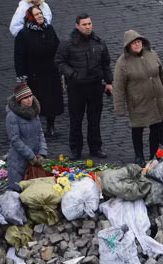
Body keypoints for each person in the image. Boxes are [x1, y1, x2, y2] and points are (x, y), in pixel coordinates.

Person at [55, 14, 112, 160]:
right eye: (84, 24)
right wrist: (73, 74)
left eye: (89, 24)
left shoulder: (98, 42)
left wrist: (109, 82)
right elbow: (59, 62)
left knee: (95, 120)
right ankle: (76, 150)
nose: (88, 27)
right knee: (76, 120)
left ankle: (95, 147)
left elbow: (106, 63)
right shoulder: (67, 43)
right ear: (77, 26)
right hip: (76, 87)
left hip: (95, 86)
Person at [113, 30, 163, 166]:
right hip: (138, 102)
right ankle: (139, 155)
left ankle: (154, 154)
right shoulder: (122, 62)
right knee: (137, 129)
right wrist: (119, 107)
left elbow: (161, 74)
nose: (137, 44)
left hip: (156, 100)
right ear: (128, 45)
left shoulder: (152, 54)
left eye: (139, 41)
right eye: (134, 43)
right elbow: (119, 85)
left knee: (156, 127)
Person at [14, 5, 62, 137]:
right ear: (31, 17)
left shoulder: (49, 29)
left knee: (52, 100)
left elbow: (58, 47)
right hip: (34, 74)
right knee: (36, 101)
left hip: (51, 72)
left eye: (40, 13)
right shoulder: (23, 35)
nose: (40, 16)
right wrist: (21, 76)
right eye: (36, 14)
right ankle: (34, 127)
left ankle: (50, 125)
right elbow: (19, 57)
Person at [5, 82, 47, 191]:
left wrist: (42, 152)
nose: (29, 100)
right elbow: (15, 140)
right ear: (19, 100)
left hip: (35, 160)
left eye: (30, 96)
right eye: (25, 98)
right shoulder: (12, 116)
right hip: (19, 163)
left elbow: (40, 133)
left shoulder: (34, 112)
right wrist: (30, 156)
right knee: (19, 191)